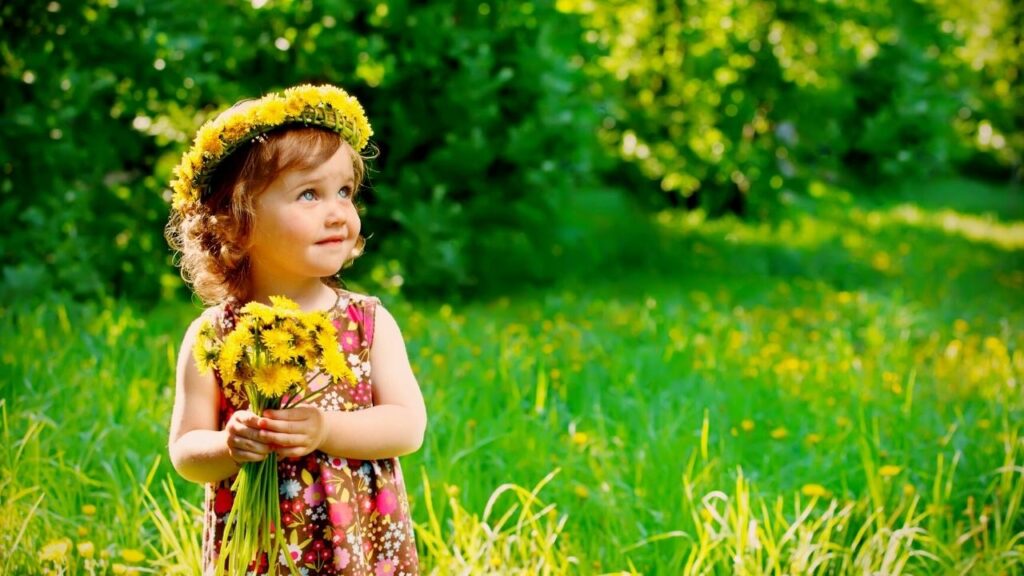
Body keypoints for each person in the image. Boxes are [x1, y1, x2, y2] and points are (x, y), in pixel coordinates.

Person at [165, 84, 426, 575]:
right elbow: (185, 451)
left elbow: (407, 425)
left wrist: (327, 428)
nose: (338, 212)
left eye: (344, 192)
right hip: (259, 549)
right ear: (237, 222)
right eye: (309, 193)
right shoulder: (214, 334)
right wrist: (227, 446)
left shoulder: (365, 322)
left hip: (358, 543)